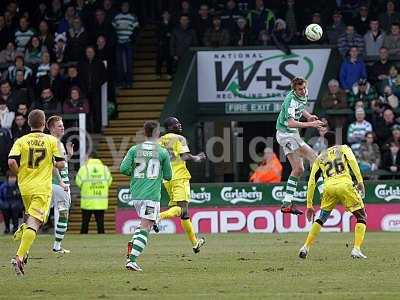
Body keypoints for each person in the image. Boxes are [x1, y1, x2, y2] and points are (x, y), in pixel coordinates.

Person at [8, 109, 65, 276]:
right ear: (44, 123)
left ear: (28, 123)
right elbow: (61, 164)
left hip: (25, 186)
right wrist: (51, 163)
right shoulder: (51, 141)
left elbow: (11, 161)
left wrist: (20, 173)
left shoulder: (21, 140)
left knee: (31, 218)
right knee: (36, 222)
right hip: (42, 188)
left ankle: (23, 231)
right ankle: (19, 257)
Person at [299, 131, 368, 259]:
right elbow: (353, 162)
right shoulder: (343, 149)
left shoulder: (320, 157)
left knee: (321, 218)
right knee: (361, 217)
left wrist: (309, 205)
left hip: (329, 188)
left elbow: (312, 181)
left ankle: (305, 247)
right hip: (345, 185)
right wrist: (360, 181)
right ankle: (356, 249)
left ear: (324, 143)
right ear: (336, 140)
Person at [120, 121, 172, 272]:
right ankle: (132, 260)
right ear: (157, 134)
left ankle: (133, 244)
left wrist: (136, 174)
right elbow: (168, 176)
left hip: (136, 194)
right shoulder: (162, 152)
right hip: (151, 195)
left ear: (145, 133)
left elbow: (123, 169)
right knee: (147, 226)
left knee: (144, 224)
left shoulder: (134, 149)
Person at [275, 77, 324, 215]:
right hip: (287, 134)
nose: (302, 91)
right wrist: (311, 124)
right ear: (294, 90)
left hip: (289, 134)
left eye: (303, 88)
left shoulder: (304, 93)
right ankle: (324, 194)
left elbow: (301, 108)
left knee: (298, 169)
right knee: (315, 158)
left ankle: (286, 204)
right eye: (299, 90)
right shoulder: (290, 101)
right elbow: (290, 122)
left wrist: (308, 116)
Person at [158, 117, 206, 253]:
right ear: (169, 127)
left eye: (179, 123)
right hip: (180, 177)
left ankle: (195, 243)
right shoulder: (179, 138)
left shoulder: (159, 141)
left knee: (183, 213)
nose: (179, 125)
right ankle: (157, 217)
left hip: (167, 179)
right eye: (176, 124)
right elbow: (184, 156)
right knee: (182, 209)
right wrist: (197, 158)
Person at [47, 116, 73, 254]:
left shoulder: (58, 143)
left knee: (41, 216)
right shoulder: (53, 143)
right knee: (63, 214)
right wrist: (61, 182)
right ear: (51, 128)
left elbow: (60, 163)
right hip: (58, 185)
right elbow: (52, 165)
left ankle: (25, 240)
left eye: (62, 125)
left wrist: (68, 155)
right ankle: (57, 246)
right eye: (59, 126)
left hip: (51, 184)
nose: (62, 127)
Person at [76, 152, 112, 234]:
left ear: (89, 158)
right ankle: (102, 243)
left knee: (85, 224)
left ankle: (82, 242)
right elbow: (109, 182)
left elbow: (78, 182)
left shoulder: (84, 169)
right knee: (100, 225)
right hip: (101, 202)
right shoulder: (104, 169)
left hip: (87, 202)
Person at [112, 1, 139, 88]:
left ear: (129, 7)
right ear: (121, 7)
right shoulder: (117, 17)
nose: (125, 7)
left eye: (127, 6)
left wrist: (132, 38)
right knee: (119, 63)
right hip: (119, 42)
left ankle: (129, 82)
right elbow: (113, 29)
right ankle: (120, 82)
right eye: (124, 6)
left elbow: (137, 28)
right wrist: (116, 38)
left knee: (129, 63)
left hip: (128, 42)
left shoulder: (132, 17)